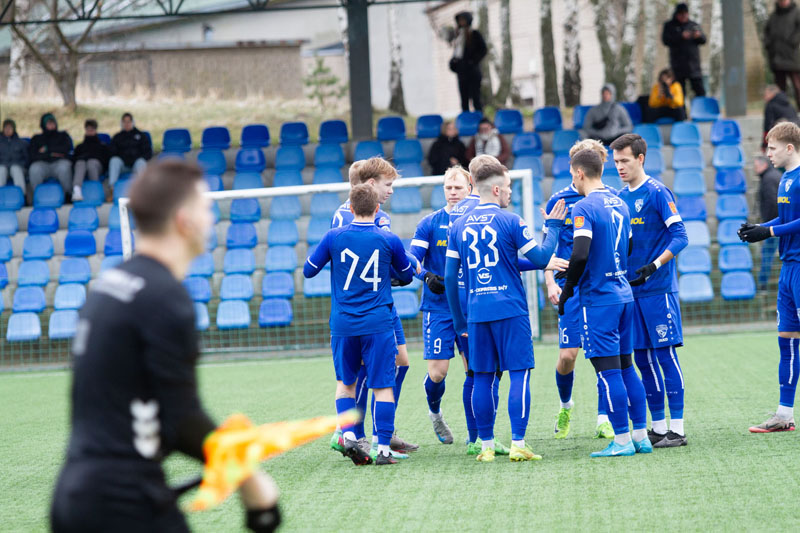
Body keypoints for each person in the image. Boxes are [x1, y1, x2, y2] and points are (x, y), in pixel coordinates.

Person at [50, 160, 280, 532]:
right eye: (205, 208)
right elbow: (181, 419)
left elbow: (143, 411)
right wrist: (250, 480)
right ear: (183, 220)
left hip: (74, 495)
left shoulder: (109, 285)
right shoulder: (165, 298)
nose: (211, 219)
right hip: (123, 503)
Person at [445, 154, 568, 462]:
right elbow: (541, 258)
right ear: (497, 189)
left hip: (476, 312)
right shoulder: (511, 220)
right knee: (519, 374)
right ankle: (518, 443)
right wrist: (553, 227)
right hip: (511, 310)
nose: (511, 192)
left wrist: (460, 322)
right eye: (509, 187)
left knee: (482, 376)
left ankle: (486, 446)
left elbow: (449, 278)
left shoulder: (457, 225)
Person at [305, 184, 414, 466]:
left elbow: (309, 270)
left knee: (345, 384)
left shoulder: (333, 237)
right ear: (377, 209)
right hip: (378, 323)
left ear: (350, 208)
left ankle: (350, 437)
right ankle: (383, 450)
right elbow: (406, 275)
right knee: (383, 386)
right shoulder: (389, 239)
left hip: (344, 324)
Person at [557, 148, 652, 458]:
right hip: (623, 294)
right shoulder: (619, 202)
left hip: (599, 300)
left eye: (573, 175)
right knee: (627, 368)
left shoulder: (583, 206)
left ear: (579, 173)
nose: (573, 180)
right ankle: (640, 437)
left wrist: (568, 288)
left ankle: (621, 440)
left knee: (608, 372)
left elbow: (580, 253)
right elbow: (629, 245)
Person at [329, 157, 420, 458]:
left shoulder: (345, 213)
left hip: (375, 303)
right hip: (370, 306)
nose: (391, 190)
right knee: (365, 372)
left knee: (400, 362)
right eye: (388, 184)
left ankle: (374, 433)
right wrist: (410, 267)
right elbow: (384, 259)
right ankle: (356, 435)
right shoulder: (369, 217)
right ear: (370, 184)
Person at [613, 133, 689, 448]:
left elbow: (681, 235)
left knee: (665, 355)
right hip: (631, 292)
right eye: (616, 162)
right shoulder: (619, 197)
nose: (619, 167)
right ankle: (658, 427)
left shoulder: (657, 192)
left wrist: (655, 265)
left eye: (625, 160)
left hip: (658, 290)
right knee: (642, 359)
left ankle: (678, 429)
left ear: (640, 158)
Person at [545, 139, 616, 441]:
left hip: (600, 286)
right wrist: (550, 281)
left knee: (604, 353)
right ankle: (565, 406)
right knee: (567, 356)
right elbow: (548, 246)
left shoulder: (611, 198)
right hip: (569, 286)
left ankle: (604, 418)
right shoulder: (559, 200)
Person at [739, 122, 800, 433]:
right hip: (788, 269)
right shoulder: (784, 178)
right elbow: (788, 218)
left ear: (789, 148)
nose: (768, 154)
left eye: (772, 148)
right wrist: (759, 229)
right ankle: (784, 415)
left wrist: (770, 231)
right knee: (786, 341)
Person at [409, 166, 470, 445]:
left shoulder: (476, 220)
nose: (453, 192)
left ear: (469, 188)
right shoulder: (430, 222)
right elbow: (412, 259)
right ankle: (435, 413)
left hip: (471, 307)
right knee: (438, 372)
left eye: (458, 187)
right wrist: (425, 275)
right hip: (438, 308)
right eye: (448, 187)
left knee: (475, 370)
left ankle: (478, 433)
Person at [661, 3, 707, 99]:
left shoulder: (693, 25)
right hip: (678, 66)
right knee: (679, 94)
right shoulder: (670, 26)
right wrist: (680, 36)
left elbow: (704, 40)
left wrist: (698, 36)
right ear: (677, 14)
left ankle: (700, 107)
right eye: (681, 14)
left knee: (700, 91)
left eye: (685, 14)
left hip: (694, 66)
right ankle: (681, 109)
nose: (684, 16)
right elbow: (665, 40)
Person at [28, 112, 73, 202]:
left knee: (64, 167)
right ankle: (38, 196)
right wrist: (51, 153)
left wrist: (47, 150)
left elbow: (66, 149)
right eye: (48, 123)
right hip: (42, 164)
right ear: (43, 125)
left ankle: (67, 196)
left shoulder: (63, 135)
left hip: (59, 163)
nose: (51, 125)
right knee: (34, 169)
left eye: (53, 123)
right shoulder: (36, 138)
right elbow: (33, 155)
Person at [765, 0, 800, 109]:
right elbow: (767, 33)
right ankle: (782, 112)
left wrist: (793, 42)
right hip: (777, 58)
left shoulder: (796, 13)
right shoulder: (773, 16)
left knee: (797, 85)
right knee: (780, 90)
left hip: (792, 57)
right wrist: (768, 45)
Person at [449, 11, 487, 112]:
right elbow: (457, 53)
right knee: (464, 100)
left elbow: (483, 49)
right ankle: (466, 119)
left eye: (463, 20)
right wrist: (453, 64)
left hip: (473, 71)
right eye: (460, 20)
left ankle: (479, 119)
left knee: (476, 98)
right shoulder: (458, 36)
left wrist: (472, 61)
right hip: (462, 73)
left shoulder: (474, 34)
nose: (461, 22)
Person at [756, 155, 782, 291]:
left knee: (767, 253)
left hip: (774, 224)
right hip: (780, 222)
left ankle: (762, 285)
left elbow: (772, 202)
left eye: (756, 166)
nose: (755, 169)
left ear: (764, 165)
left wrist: (768, 225)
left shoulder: (768, 179)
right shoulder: (776, 175)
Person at [72, 119, 111, 202]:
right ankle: (77, 190)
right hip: (82, 168)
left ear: (95, 130)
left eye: (92, 130)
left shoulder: (103, 146)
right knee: (80, 163)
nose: (90, 132)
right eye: (88, 129)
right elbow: (74, 160)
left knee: (91, 163)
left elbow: (106, 161)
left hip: (96, 167)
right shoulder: (79, 147)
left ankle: (95, 190)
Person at [109, 112, 152, 187]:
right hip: (123, 166)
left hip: (136, 165)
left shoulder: (141, 136)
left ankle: (144, 189)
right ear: (121, 123)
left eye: (128, 121)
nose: (126, 124)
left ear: (132, 122)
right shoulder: (117, 137)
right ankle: (112, 188)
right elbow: (112, 152)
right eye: (124, 122)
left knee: (141, 162)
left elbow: (148, 152)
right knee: (114, 160)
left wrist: (138, 158)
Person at [763, 85, 799, 149]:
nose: (764, 97)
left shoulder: (770, 105)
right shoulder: (789, 104)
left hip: (782, 135)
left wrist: (764, 145)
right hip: (796, 132)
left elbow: (768, 126)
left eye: (766, 94)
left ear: (772, 94)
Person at [0, 119, 27, 191]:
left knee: (15, 169)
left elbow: (27, 158)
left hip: (18, 167)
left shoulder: (21, 143)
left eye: (10, 128)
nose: (7, 130)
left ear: (14, 129)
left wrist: (21, 164)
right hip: (3, 166)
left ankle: (21, 194)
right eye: (6, 128)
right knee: (1, 170)